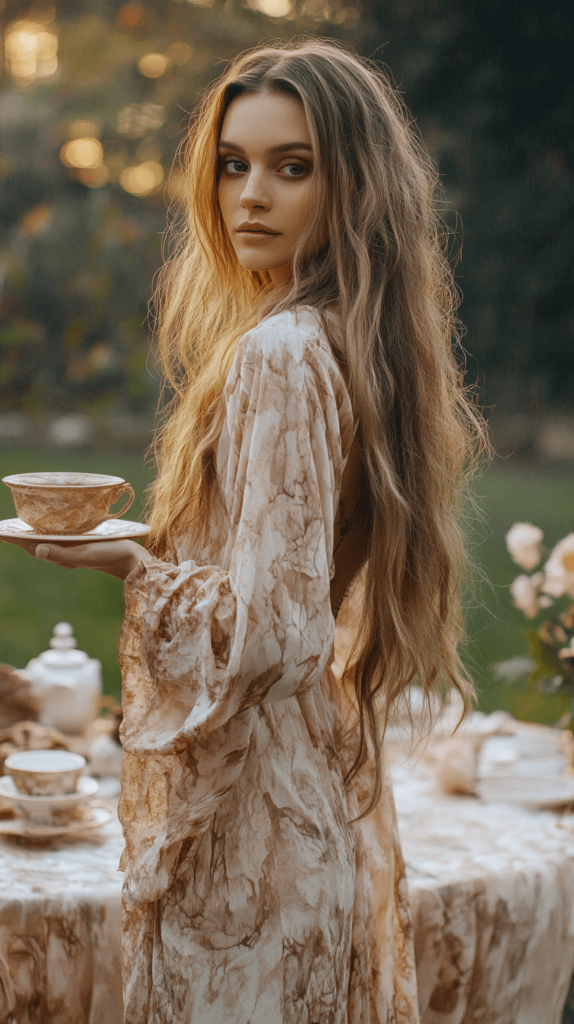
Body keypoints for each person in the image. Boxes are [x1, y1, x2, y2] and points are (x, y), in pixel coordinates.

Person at [6, 40, 486, 1024]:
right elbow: (293, 585)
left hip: (253, 842)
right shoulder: (354, 339)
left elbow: (273, 633)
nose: (251, 194)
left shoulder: (280, 351)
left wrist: (138, 566)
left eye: (291, 165)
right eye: (234, 163)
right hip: (327, 802)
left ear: (352, 185)